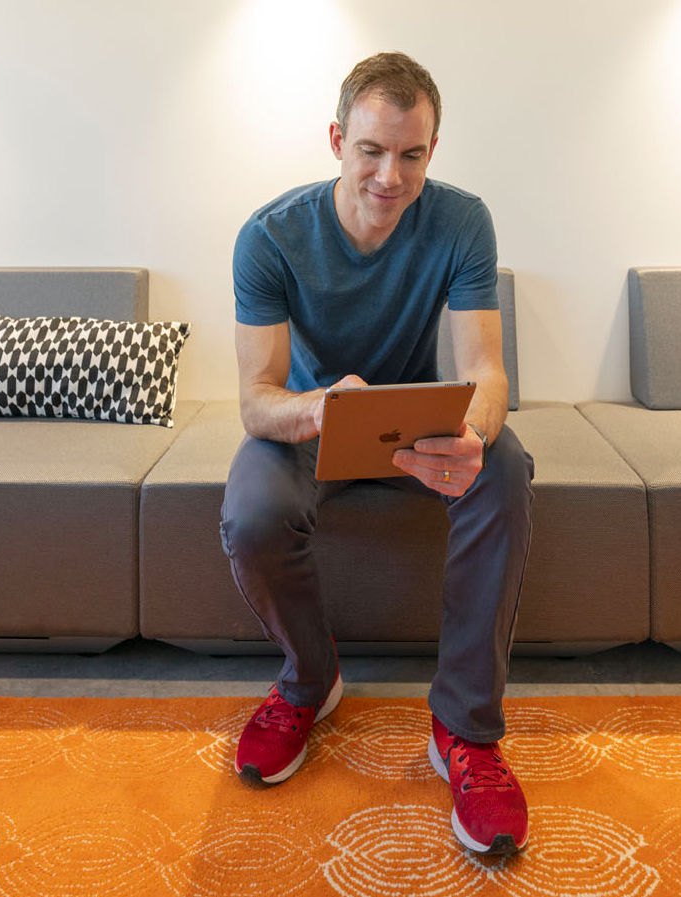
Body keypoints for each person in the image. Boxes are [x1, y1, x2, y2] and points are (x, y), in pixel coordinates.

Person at [220, 51, 535, 855]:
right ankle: (309, 679)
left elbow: (487, 372)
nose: (390, 176)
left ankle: (464, 727)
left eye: (410, 154)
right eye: (371, 150)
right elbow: (257, 399)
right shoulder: (269, 236)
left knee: (505, 466)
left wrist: (475, 433)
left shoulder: (462, 221)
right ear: (337, 141)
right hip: (311, 422)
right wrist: (322, 406)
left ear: (432, 150)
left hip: (417, 425)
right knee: (251, 511)